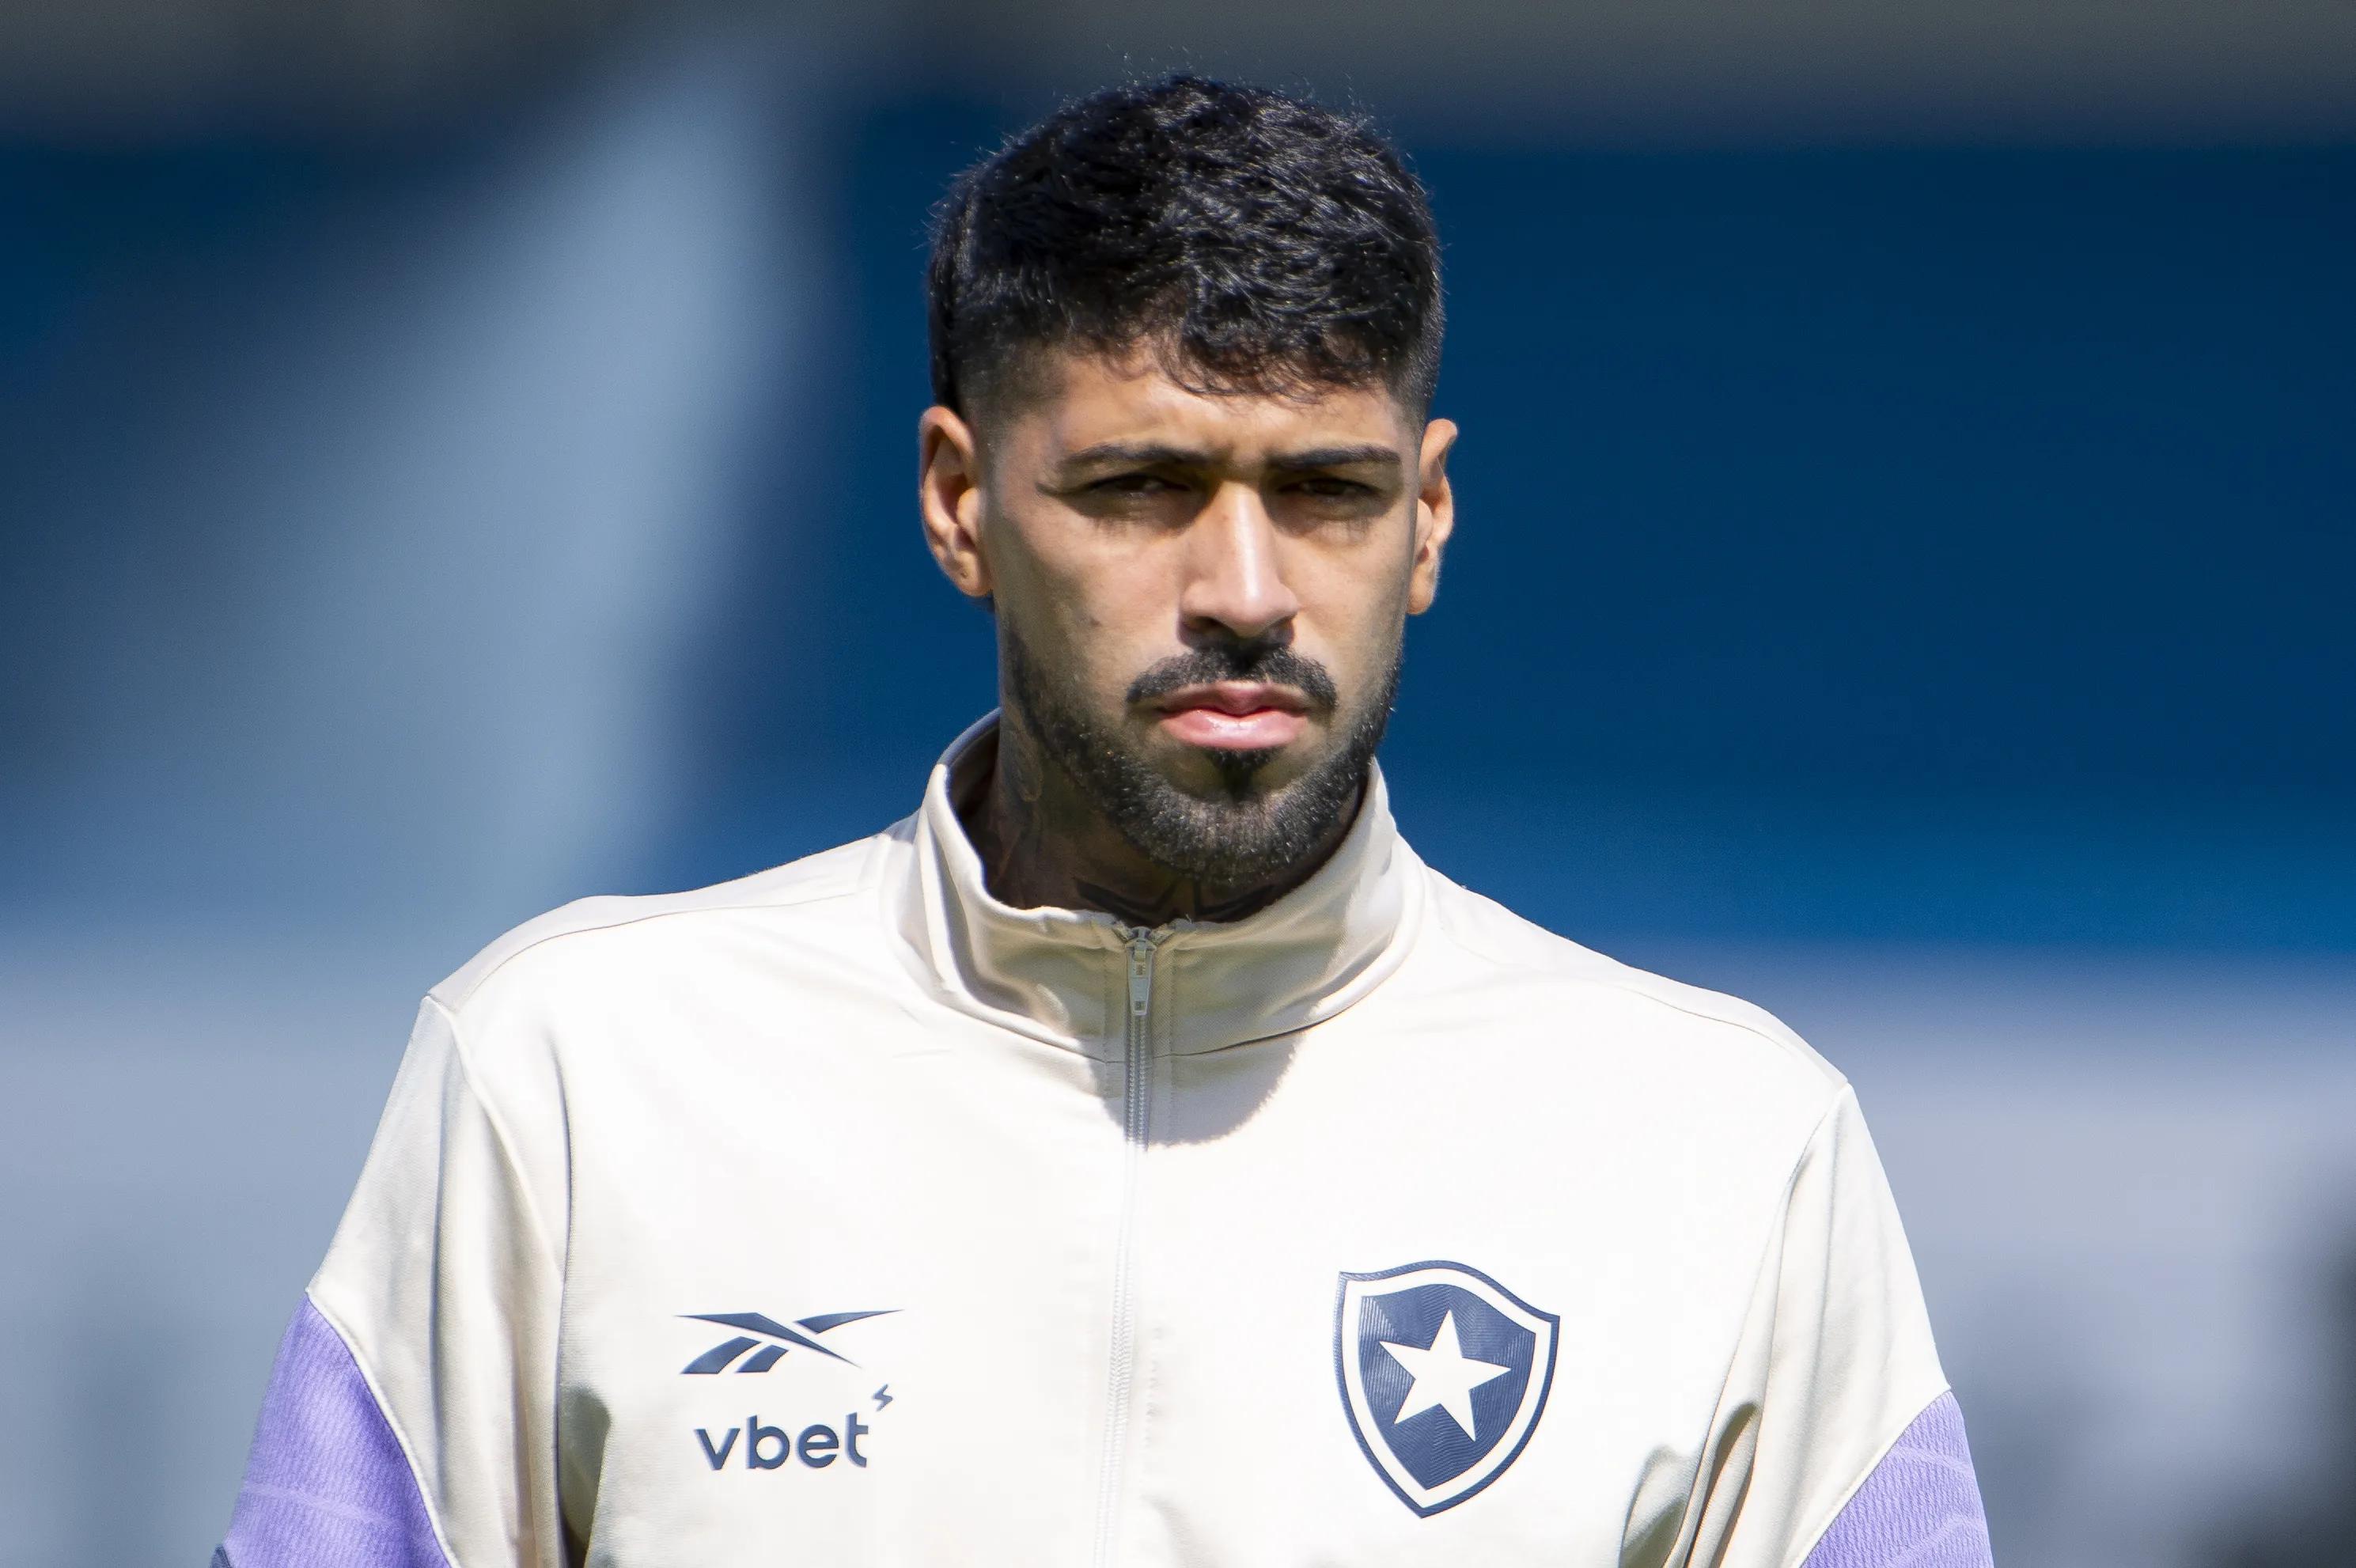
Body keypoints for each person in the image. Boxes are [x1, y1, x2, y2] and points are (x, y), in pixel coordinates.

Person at [213, 74, 1993, 1568]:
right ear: (959, 501)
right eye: (1142, 487)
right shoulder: (575, 1075)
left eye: (1325, 493)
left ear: (1430, 520)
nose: (1242, 587)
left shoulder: (1724, 1147)